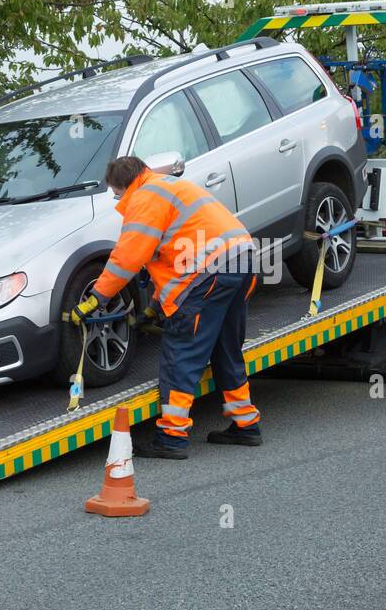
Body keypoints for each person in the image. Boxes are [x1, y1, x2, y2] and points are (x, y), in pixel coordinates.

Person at [71, 156, 262, 459]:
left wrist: (97, 297)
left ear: (123, 185)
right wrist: (155, 309)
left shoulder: (144, 198)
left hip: (210, 273)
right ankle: (246, 423)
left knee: (182, 353)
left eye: (116, 193)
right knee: (227, 348)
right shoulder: (169, 187)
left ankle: (172, 436)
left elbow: (127, 258)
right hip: (241, 263)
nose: (117, 200)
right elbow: (176, 264)